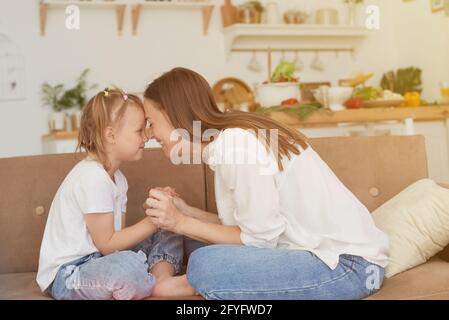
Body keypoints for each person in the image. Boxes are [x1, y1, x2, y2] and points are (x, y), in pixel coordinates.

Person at [142, 67, 389, 300]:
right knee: (186, 234)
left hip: (347, 267)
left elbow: (259, 240)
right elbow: (247, 227)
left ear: (171, 113)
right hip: (309, 253)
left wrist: (181, 221)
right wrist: (185, 213)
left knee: (205, 262)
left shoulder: (237, 146)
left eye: (151, 122)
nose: (150, 134)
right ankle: (164, 278)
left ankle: (170, 285)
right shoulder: (226, 143)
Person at [36, 87, 183, 300]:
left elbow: (116, 241)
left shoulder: (118, 179)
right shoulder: (92, 177)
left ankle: (160, 278)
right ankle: (147, 277)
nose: (147, 136)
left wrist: (157, 210)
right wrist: (154, 220)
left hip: (102, 260)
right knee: (126, 268)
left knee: (171, 226)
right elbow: (108, 245)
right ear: (111, 135)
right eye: (139, 130)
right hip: (70, 274)